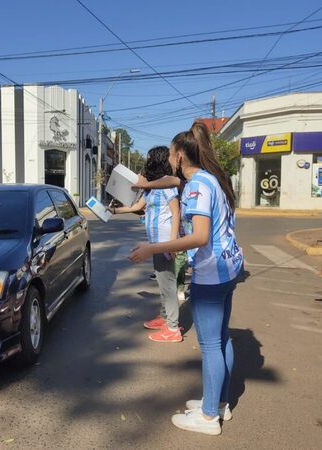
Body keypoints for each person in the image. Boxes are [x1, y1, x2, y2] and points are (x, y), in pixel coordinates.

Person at [130, 122, 243, 436]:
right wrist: (144, 183)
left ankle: (208, 418)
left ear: (180, 155)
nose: (168, 157)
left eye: (170, 152)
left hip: (212, 274)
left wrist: (154, 247)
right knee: (222, 339)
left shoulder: (198, 186)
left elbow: (200, 236)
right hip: (228, 268)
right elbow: (166, 181)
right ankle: (218, 403)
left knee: (210, 346)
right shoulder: (209, 178)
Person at [111, 146, 183, 343]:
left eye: (150, 157)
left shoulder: (168, 187)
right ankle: (165, 317)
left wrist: (172, 244)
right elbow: (137, 207)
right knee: (162, 282)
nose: (147, 160)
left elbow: (176, 213)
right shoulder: (152, 188)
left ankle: (173, 328)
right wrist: (114, 212)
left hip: (164, 242)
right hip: (155, 242)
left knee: (167, 284)